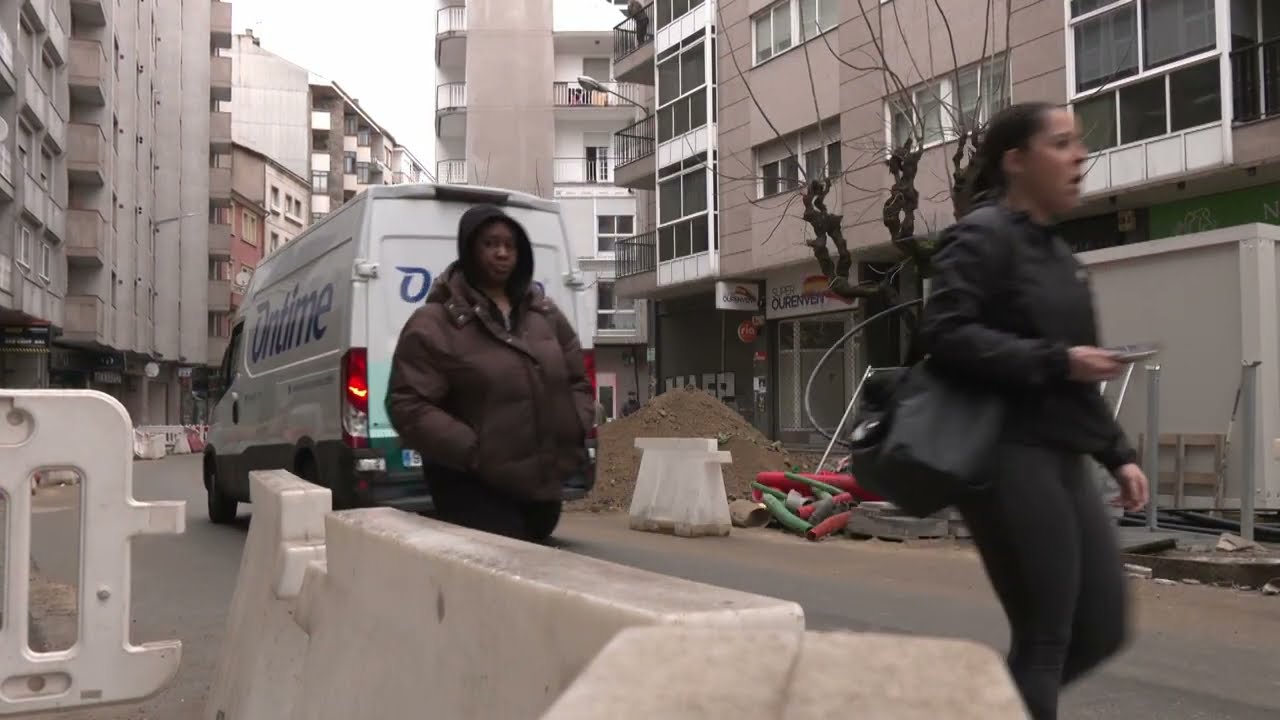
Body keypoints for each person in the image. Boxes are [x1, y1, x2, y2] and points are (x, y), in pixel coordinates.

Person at [918, 102, 1150, 720]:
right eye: (1062, 143)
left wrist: (1118, 454)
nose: (1080, 156)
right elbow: (945, 334)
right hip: (1004, 454)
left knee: (1102, 628)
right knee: (1047, 637)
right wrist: (1058, 359)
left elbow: (1077, 371)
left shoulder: (1057, 255)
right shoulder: (981, 235)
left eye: (1080, 143)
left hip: (1063, 454)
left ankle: (984, 709)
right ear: (1017, 160)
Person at [385, 204, 594, 543]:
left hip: (541, 491)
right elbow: (408, 403)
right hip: (472, 487)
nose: (502, 253)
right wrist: (475, 451)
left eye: (510, 245)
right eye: (490, 244)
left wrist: (575, 425)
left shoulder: (545, 315)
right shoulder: (435, 322)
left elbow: (578, 381)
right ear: (469, 250)